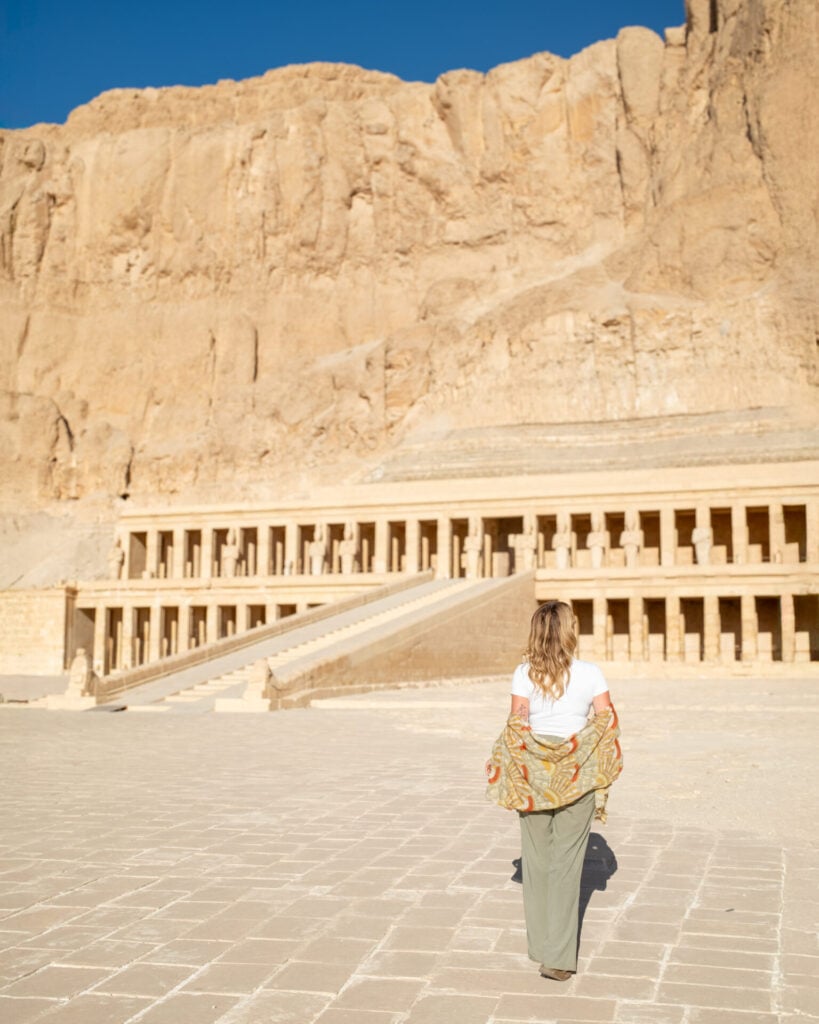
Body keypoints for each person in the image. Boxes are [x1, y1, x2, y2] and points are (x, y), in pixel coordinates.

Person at [485, 600, 621, 983]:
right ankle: (559, 958)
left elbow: (518, 724)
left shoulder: (522, 673)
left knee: (536, 859)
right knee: (567, 864)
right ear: (568, 631)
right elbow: (607, 719)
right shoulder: (591, 673)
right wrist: (584, 751)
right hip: (576, 774)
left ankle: (541, 945)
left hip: (533, 775)